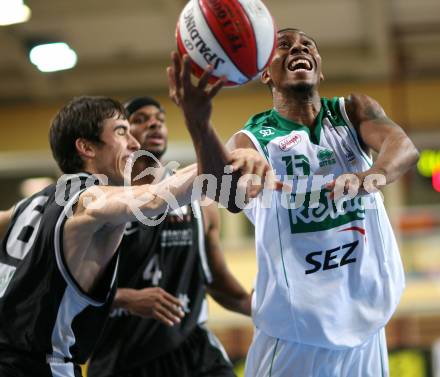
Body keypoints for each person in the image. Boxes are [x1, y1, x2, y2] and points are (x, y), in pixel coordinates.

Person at [168, 28, 419, 377]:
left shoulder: (352, 111)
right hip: (296, 334)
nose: (297, 48)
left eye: (307, 46)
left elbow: (403, 147)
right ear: (265, 73)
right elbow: (228, 195)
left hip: (367, 329)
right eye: (284, 45)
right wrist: (198, 122)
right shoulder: (251, 138)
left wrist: (367, 177)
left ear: (319, 68)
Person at [0, 93, 270, 377]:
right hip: (46, 365)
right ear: (86, 147)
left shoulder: (24, 207)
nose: (134, 144)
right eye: (122, 131)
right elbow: (154, 199)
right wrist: (226, 152)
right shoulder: (90, 200)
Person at [88, 96, 252, 377]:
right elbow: (68, 285)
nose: (154, 123)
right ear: (123, 138)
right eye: (140, 119)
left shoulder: (201, 202)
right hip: (123, 353)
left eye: (160, 119)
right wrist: (126, 297)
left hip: (194, 351)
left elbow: (215, 278)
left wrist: (267, 308)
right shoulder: (101, 200)